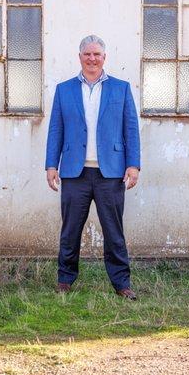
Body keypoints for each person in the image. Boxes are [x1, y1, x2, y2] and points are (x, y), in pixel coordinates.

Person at [45, 35, 141, 300]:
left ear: (104, 57)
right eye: (87, 54)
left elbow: (130, 129)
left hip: (110, 173)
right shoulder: (64, 90)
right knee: (70, 230)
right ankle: (65, 279)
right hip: (75, 173)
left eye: (97, 54)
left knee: (114, 231)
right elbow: (56, 129)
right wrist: (51, 165)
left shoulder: (120, 89)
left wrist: (133, 165)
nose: (92, 58)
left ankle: (122, 283)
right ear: (80, 57)